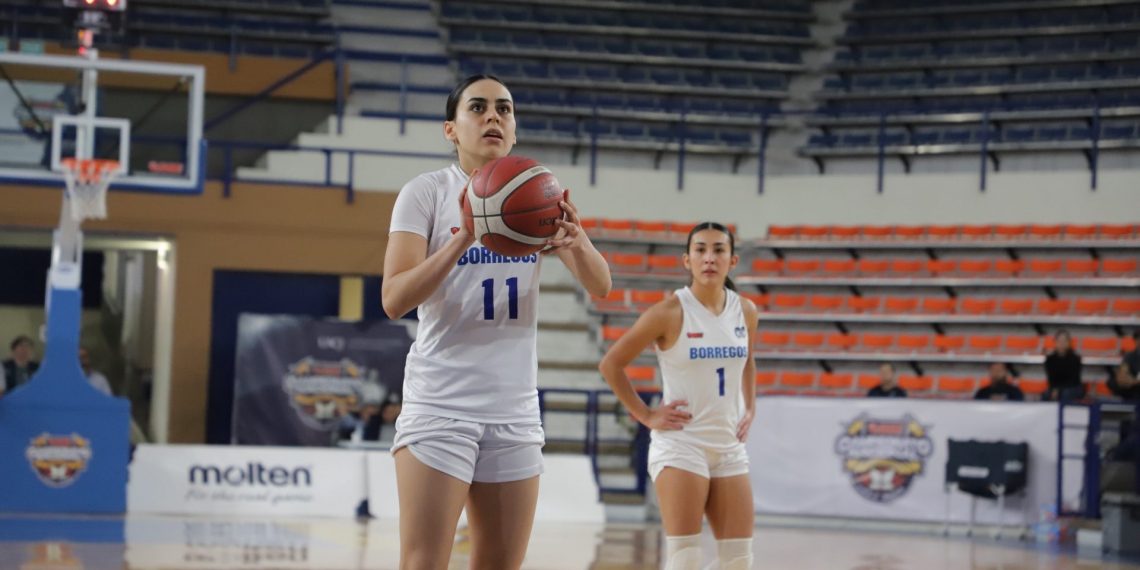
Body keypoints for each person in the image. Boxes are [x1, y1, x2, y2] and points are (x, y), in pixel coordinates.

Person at [380, 74, 611, 570]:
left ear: (514, 128)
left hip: (514, 409)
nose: (493, 117)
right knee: (423, 562)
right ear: (451, 129)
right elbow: (394, 299)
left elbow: (601, 286)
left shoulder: (537, 194)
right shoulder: (425, 192)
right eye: (478, 107)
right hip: (441, 404)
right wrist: (464, 236)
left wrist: (578, 241)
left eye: (504, 109)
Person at [599, 222, 757, 570]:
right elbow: (611, 364)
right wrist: (646, 415)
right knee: (685, 559)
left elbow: (748, 360)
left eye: (719, 250)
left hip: (728, 446)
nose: (709, 258)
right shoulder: (669, 312)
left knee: (738, 561)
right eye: (700, 250)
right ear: (687, 260)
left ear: (733, 260)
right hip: (682, 444)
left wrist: (750, 408)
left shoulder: (746, 311)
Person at [1044, 330, 1084, 401]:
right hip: (1056, 387)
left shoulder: (1075, 358)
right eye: (1059, 341)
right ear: (1055, 342)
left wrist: (1059, 390)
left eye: (1064, 341)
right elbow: (1051, 379)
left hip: (1073, 387)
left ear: (1068, 343)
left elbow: (1073, 380)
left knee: (1065, 393)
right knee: (1046, 395)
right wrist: (1055, 389)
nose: (1062, 343)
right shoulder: (1050, 359)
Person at [1109, 330, 1140, 401]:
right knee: (1112, 382)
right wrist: (1130, 380)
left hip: (1134, 383)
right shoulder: (1129, 356)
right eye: (1138, 339)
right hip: (1134, 388)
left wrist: (1134, 381)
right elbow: (1123, 374)